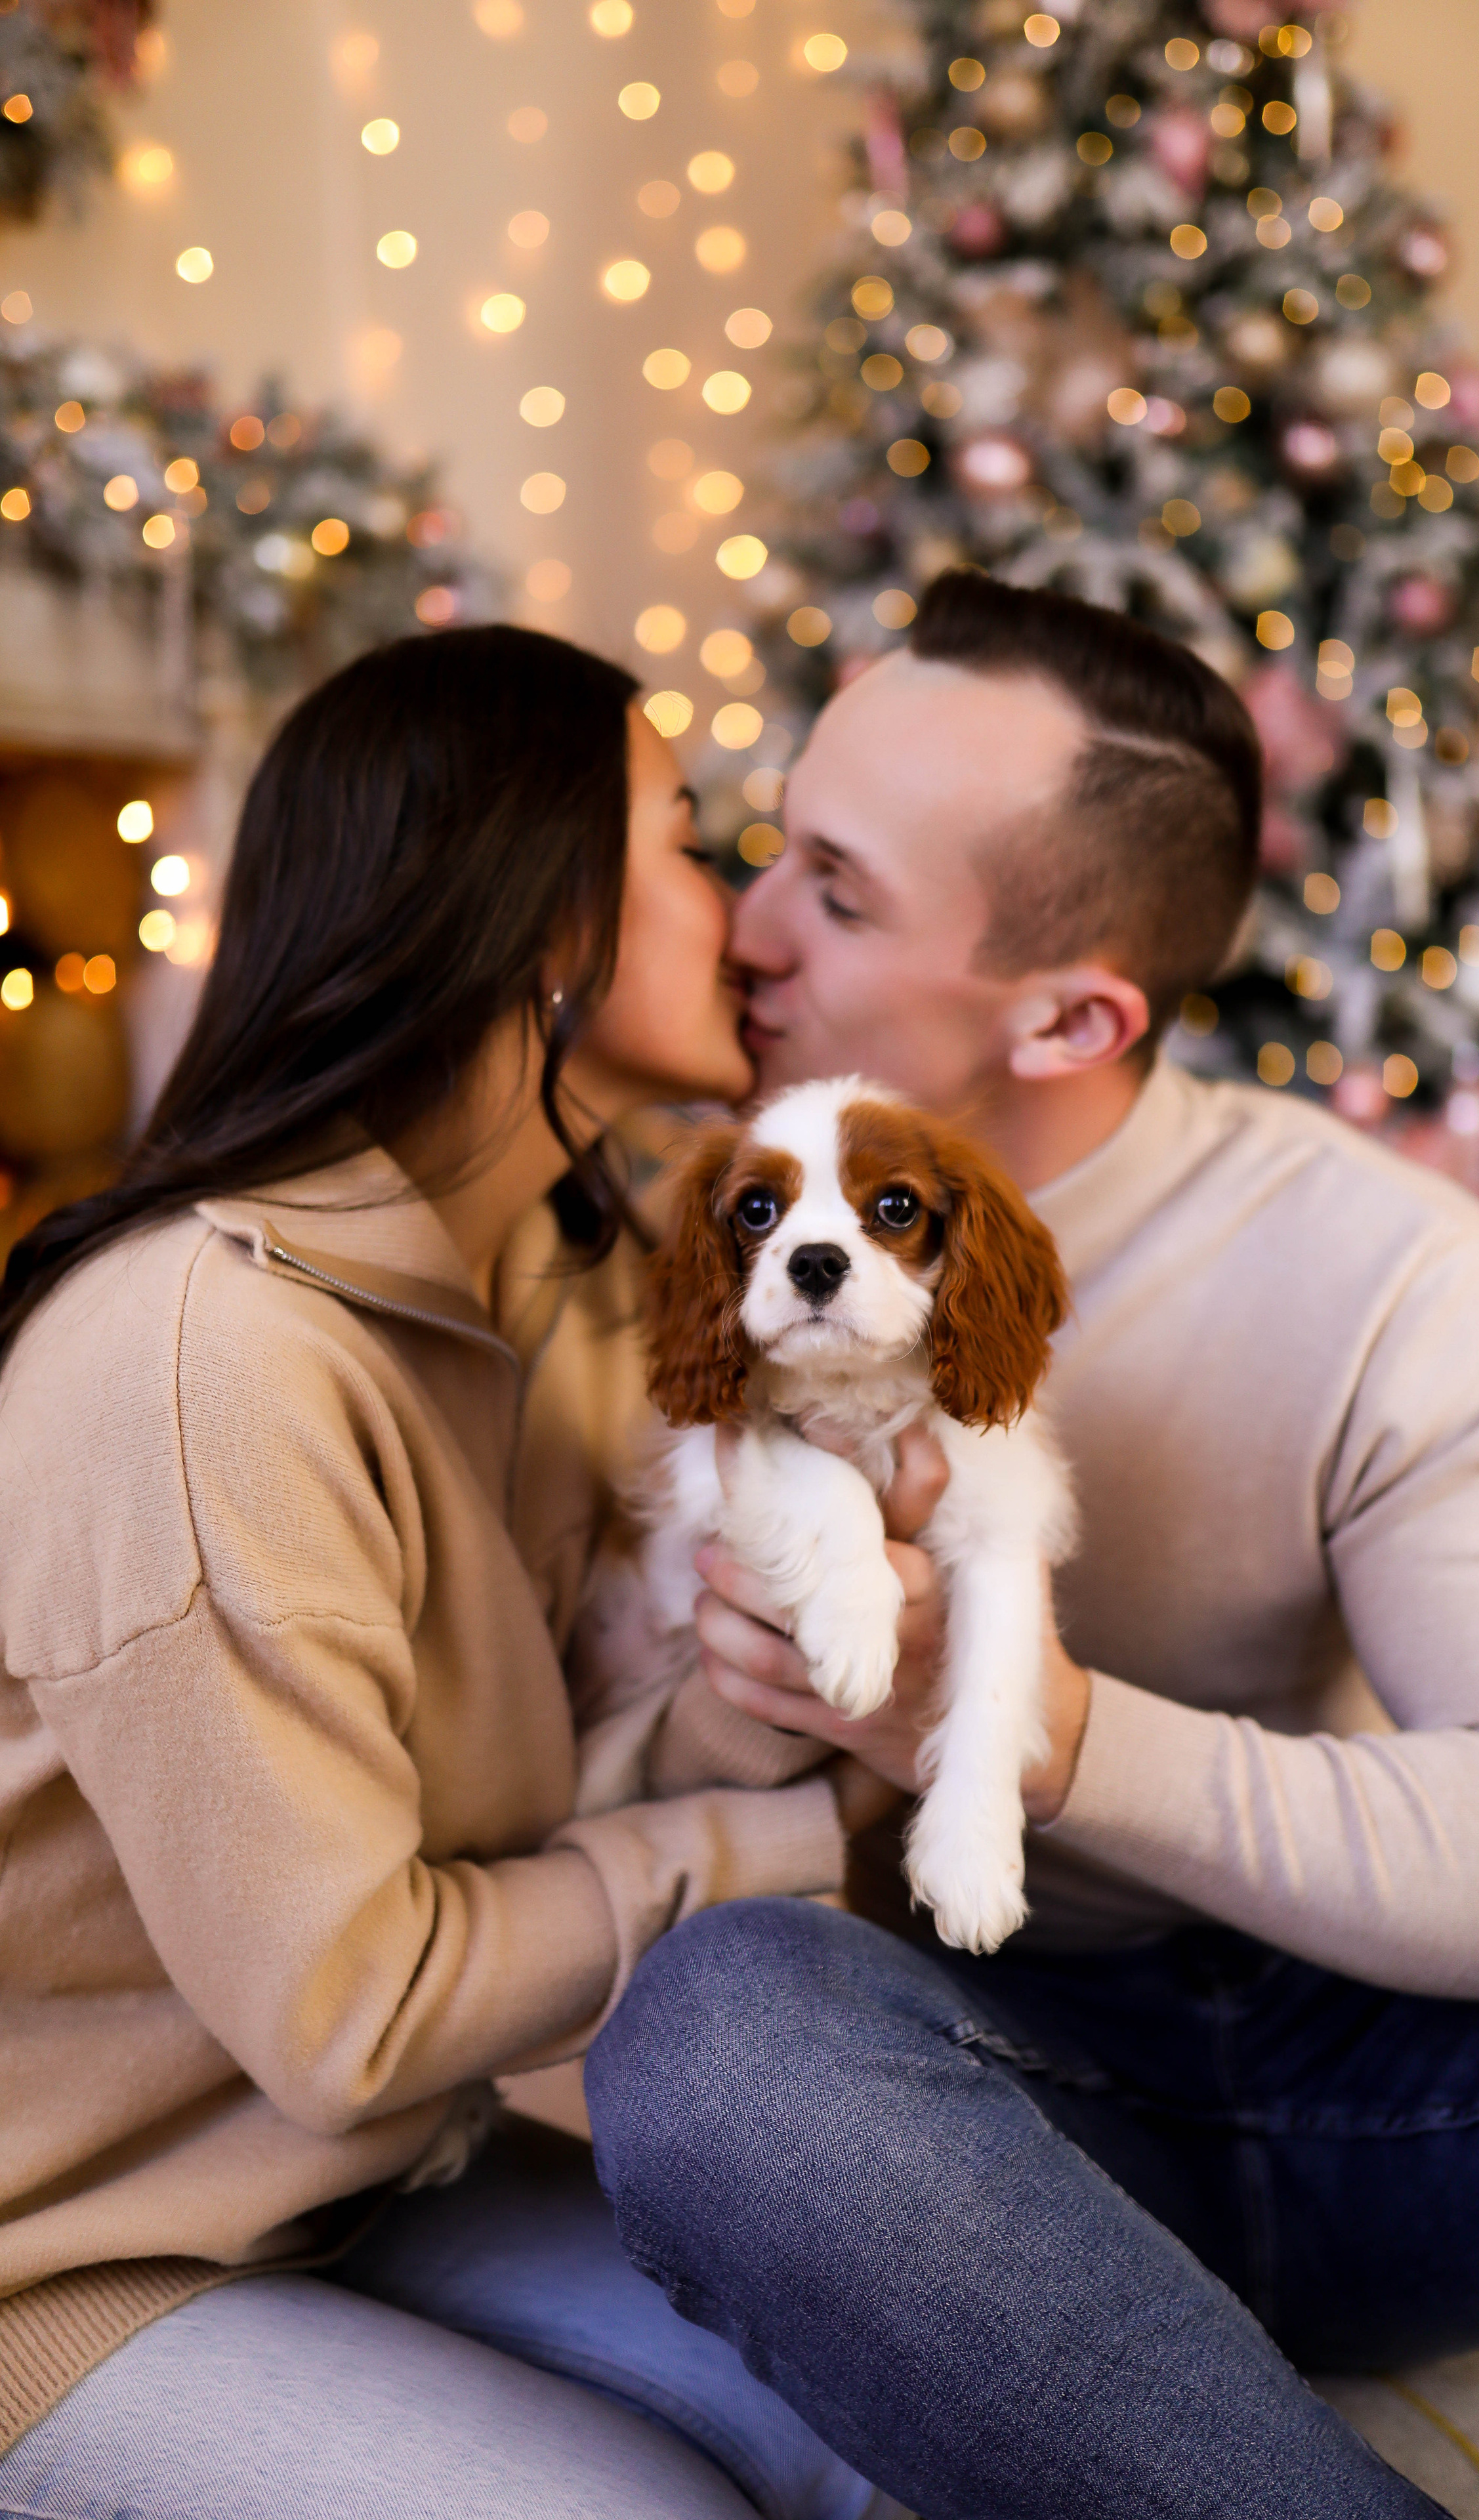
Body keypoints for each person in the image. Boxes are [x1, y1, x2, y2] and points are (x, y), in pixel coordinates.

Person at [583, 572, 1479, 2520]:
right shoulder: (694, 1229)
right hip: (978, 2095)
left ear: (1075, 1012)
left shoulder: (1373, 1259)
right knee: (722, 2044)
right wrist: (756, 1710)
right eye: (772, 852)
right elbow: (605, 1809)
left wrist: (1039, 1734)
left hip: (1391, 2071)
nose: (742, 934)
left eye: (835, 894)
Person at [0, 626, 910, 2520]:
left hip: (354, 2181)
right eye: (687, 840)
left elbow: (538, 1794)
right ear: (551, 916)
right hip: (67, 2259)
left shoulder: (563, 1289)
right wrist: (766, 1844)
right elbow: (352, 2008)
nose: (744, 919)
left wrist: (753, 1708)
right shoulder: (207, 1358)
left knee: (892, 2432)